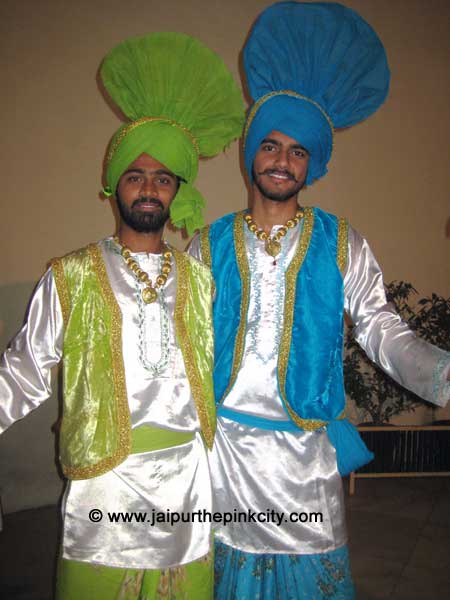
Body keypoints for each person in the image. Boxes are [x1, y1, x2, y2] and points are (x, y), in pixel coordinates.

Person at [188, 3, 450, 598]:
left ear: (312, 163)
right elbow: (184, 341)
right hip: (226, 450)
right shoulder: (208, 245)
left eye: (298, 150)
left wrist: (443, 376)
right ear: (251, 153)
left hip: (306, 453)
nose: (283, 160)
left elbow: (382, 328)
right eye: (272, 146)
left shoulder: (341, 243)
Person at [0, 31, 243, 599]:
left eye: (163, 178)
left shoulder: (200, 279)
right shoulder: (73, 274)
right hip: (104, 486)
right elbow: (22, 371)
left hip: (186, 479)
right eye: (137, 175)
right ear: (115, 187)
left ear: (176, 189)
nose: (150, 188)